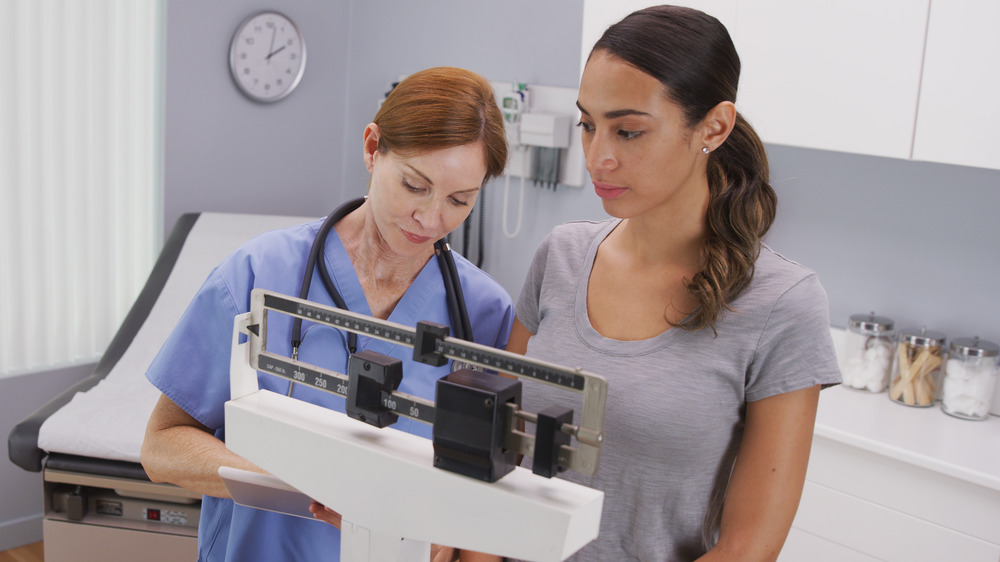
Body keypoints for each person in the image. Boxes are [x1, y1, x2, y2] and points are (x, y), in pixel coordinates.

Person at [506, 6, 841, 561]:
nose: (597, 156)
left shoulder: (783, 305)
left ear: (713, 127)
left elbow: (747, 547)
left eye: (629, 130)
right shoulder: (560, 256)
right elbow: (495, 444)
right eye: (588, 124)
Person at [141, 67, 513, 562]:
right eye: (414, 185)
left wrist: (439, 540)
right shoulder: (260, 273)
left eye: (459, 200)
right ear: (372, 147)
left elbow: (481, 503)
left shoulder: (483, 312)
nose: (431, 218)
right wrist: (294, 480)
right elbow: (162, 447)